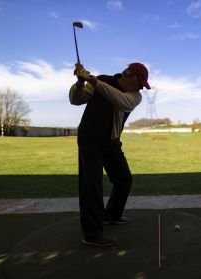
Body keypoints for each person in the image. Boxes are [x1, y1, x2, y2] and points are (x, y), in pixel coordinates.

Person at [69, 62, 151, 247]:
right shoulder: (103, 80)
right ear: (129, 74)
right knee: (92, 185)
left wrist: (94, 81)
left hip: (111, 142)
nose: (141, 88)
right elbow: (76, 100)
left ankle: (111, 215)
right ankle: (92, 234)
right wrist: (80, 83)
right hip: (89, 138)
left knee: (124, 180)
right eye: (141, 82)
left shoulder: (134, 96)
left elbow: (120, 101)